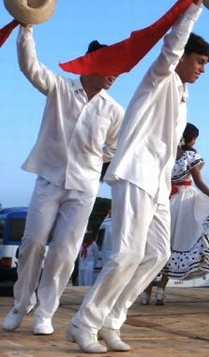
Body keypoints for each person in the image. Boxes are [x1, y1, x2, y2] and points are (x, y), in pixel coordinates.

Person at [67, 0, 209, 353]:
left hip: (158, 182)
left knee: (157, 254)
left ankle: (111, 321)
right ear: (183, 57)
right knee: (126, 253)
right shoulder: (159, 78)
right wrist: (195, 6)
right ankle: (84, 322)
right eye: (200, 61)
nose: (202, 69)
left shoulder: (182, 93)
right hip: (134, 173)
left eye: (206, 65)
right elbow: (172, 45)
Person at [2, 25, 123, 336]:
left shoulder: (113, 110)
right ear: (91, 63)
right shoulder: (60, 89)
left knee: (65, 251)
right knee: (33, 244)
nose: (115, 74)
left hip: (83, 188)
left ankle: (45, 312)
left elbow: (114, 145)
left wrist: (95, 159)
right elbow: (30, 67)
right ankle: (20, 305)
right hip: (49, 180)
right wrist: (26, 28)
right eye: (110, 67)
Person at [141, 122, 209, 305]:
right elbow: (199, 182)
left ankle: (146, 292)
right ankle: (161, 291)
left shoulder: (167, 154)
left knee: (159, 245)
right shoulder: (190, 155)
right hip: (185, 202)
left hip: (165, 200)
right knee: (177, 243)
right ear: (191, 139)